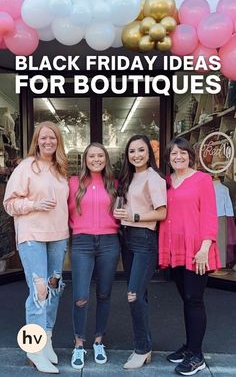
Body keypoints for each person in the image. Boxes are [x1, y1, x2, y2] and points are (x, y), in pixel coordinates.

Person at [3, 121, 69, 374]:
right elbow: (9, 203)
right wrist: (34, 204)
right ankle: (34, 349)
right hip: (32, 235)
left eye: (52, 137)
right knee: (39, 291)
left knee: (54, 290)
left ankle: (47, 341)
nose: (48, 142)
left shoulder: (60, 169)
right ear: (37, 141)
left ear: (58, 141)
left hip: (58, 236)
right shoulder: (25, 167)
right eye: (43, 138)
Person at [159, 137, 221, 376]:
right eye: (173, 154)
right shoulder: (166, 182)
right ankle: (190, 347)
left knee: (194, 299)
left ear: (190, 156)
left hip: (197, 251)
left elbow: (209, 215)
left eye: (182, 153)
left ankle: (197, 355)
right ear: (168, 159)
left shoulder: (203, 180)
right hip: (175, 249)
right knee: (186, 298)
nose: (178, 157)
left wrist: (205, 248)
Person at [114, 134, 167, 369]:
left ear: (149, 153)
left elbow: (162, 213)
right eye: (132, 151)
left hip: (144, 239)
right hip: (127, 238)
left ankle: (142, 348)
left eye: (141, 151)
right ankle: (145, 346)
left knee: (133, 295)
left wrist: (134, 216)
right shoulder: (129, 177)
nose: (136, 155)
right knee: (138, 295)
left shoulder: (154, 178)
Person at [68, 142, 120, 370]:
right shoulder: (73, 183)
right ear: (85, 160)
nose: (96, 159)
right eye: (91, 156)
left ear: (106, 159)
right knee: (80, 295)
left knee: (104, 294)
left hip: (109, 242)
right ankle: (79, 343)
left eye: (100, 156)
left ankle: (99, 341)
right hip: (82, 242)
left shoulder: (114, 184)